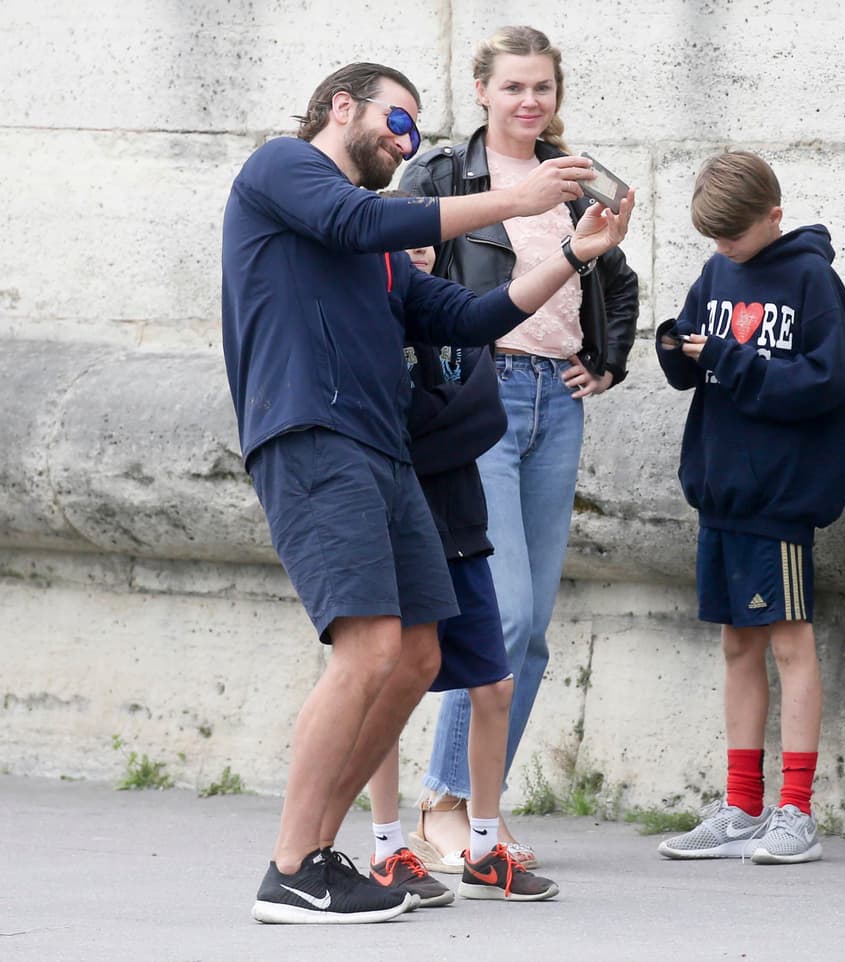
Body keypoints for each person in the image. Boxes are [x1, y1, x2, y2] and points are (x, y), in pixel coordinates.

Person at [221, 61, 632, 924]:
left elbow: (470, 316)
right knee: (368, 648)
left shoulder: (378, 254)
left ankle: (323, 856)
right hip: (312, 432)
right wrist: (515, 202)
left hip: (385, 451)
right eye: (395, 124)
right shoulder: (283, 170)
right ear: (342, 108)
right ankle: (291, 866)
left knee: (417, 656)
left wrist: (569, 253)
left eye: (413, 130)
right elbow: (355, 214)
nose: (404, 143)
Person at [400, 25, 639, 871]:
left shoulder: (574, 178)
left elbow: (613, 275)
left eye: (542, 88)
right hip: (479, 395)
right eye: (513, 88)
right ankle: (446, 802)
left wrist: (606, 361)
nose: (529, 102)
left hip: (554, 404)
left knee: (532, 629)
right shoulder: (442, 174)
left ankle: (478, 806)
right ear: (483, 93)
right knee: (494, 615)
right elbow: (403, 269)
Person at [653, 150, 845, 865]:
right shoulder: (718, 272)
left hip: (779, 498)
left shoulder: (812, 280)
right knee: (737, 643)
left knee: (788, 642)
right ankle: (742, 805)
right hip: (720, 491)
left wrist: (729, 361)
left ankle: (796, 811)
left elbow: (825, 383)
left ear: (773, 217)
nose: (723, 250)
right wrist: (677, 350)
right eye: (713, 239)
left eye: (735, 237)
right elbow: (698, 350)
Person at [363, 221, 558, 905]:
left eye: (425, 233)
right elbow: (393, 421)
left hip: (461, 520)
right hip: (396, 519)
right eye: (400, 231)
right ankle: (388, 848)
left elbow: (482, 418)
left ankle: (482, 846)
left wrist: (427, 423)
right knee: (386, 685)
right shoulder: (369, 317)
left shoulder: (452, 310)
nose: (416, 244)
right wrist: (431, 422)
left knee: (494, 683)